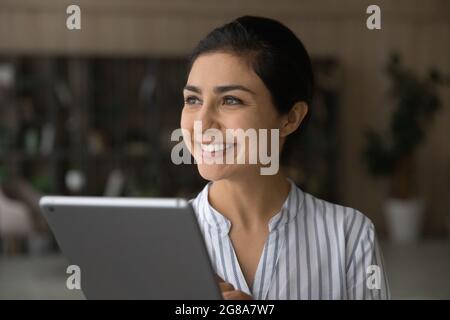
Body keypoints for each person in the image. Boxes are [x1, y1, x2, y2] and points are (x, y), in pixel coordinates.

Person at [180, 16, 390, 300]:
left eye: (231, 100)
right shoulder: (159, 241)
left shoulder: (349, 236)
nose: (202, 124)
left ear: (290, 118)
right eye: (193, 100)